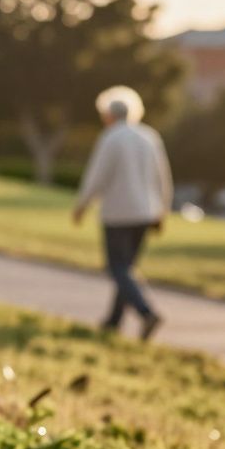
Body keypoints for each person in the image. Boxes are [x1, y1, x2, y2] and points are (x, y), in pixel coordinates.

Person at [73, 86, 173, 340]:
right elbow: (163, 179)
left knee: (117, 267)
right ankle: (113, 322)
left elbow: (97, 176)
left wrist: (82, 205)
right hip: (146, 212)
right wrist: (162, 210)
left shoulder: (111, 138)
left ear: (109, 114)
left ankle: (146, 312)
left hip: (118, 213)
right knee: (126, 268)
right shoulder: (149, 137)